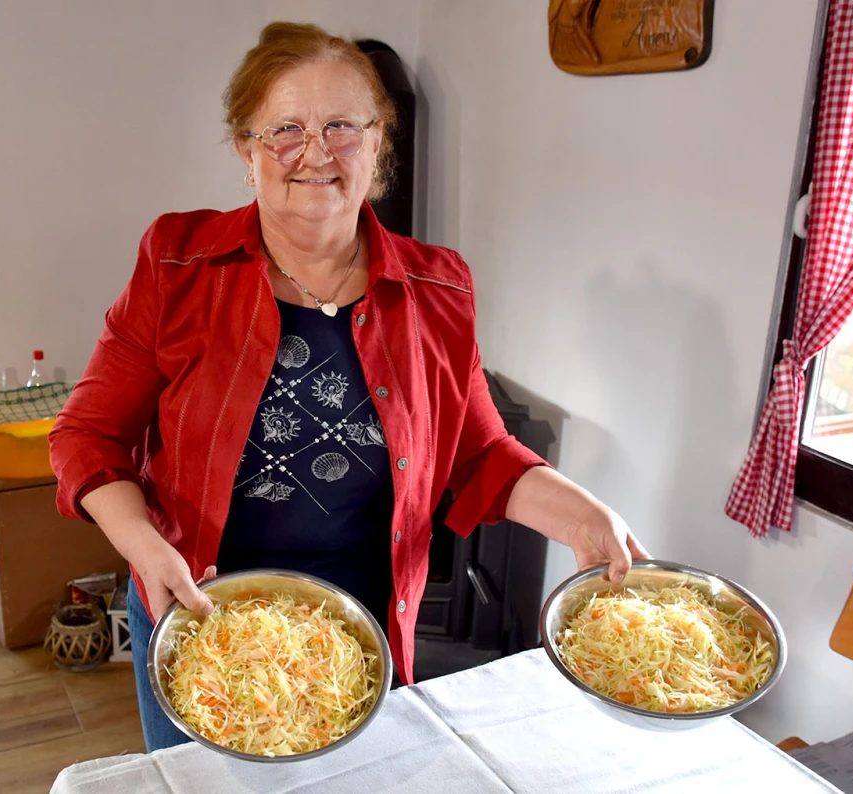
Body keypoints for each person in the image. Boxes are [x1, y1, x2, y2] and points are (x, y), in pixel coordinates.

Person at [49, 21, 650, 752]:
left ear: (377, 144)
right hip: (200, 617)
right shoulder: (179, 263)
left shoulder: (436, 287)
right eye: (286, 129)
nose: (315, 152)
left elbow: (477, 451)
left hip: (356, 637)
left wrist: (582, 515)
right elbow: (88, 436)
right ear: (247, 148)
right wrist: (144, 548)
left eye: (342, 126)